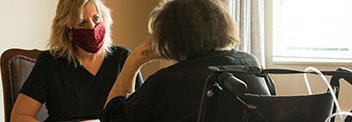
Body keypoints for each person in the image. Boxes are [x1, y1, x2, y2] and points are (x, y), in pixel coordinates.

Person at [100, 0, 271, 122]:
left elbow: (111, 116)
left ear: (171, 38)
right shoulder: (251, 63)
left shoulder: (168, 80)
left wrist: (134, 60)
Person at [10, 0, 143, 122]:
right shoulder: (49, 63)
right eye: (82, 22)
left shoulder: (123, 58)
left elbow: (143, 112)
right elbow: (19, 117)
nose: (92, 27)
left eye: (96, 18)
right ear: (68, 30)